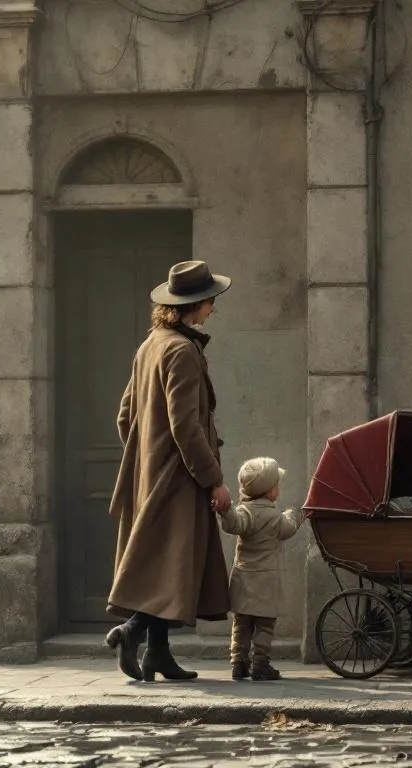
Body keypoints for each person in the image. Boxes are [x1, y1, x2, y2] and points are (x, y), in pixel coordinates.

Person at [105, 260, 234, 683]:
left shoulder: (151, 345)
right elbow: (186, 426)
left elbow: (125, 416)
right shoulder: (180, 350)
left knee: (168, 567)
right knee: (174, 563)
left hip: (155, 474)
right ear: (194, 306)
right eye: (210, 302)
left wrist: (146, 456)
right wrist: (212, 478)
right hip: (177, 478)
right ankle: (133, 632)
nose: (213, 309)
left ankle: (157, 655)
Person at [217, 456, 304, 681]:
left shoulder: (244, 512)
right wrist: (296, 514)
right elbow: (288, 529)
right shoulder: (275, 517)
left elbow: (233, 523)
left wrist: (226, 511)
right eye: (277, 486)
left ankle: (238, 662)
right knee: (265, 625)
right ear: (270, 492)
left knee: (241, 623)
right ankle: (260, 663)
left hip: (244, 578)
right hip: (267, 582)